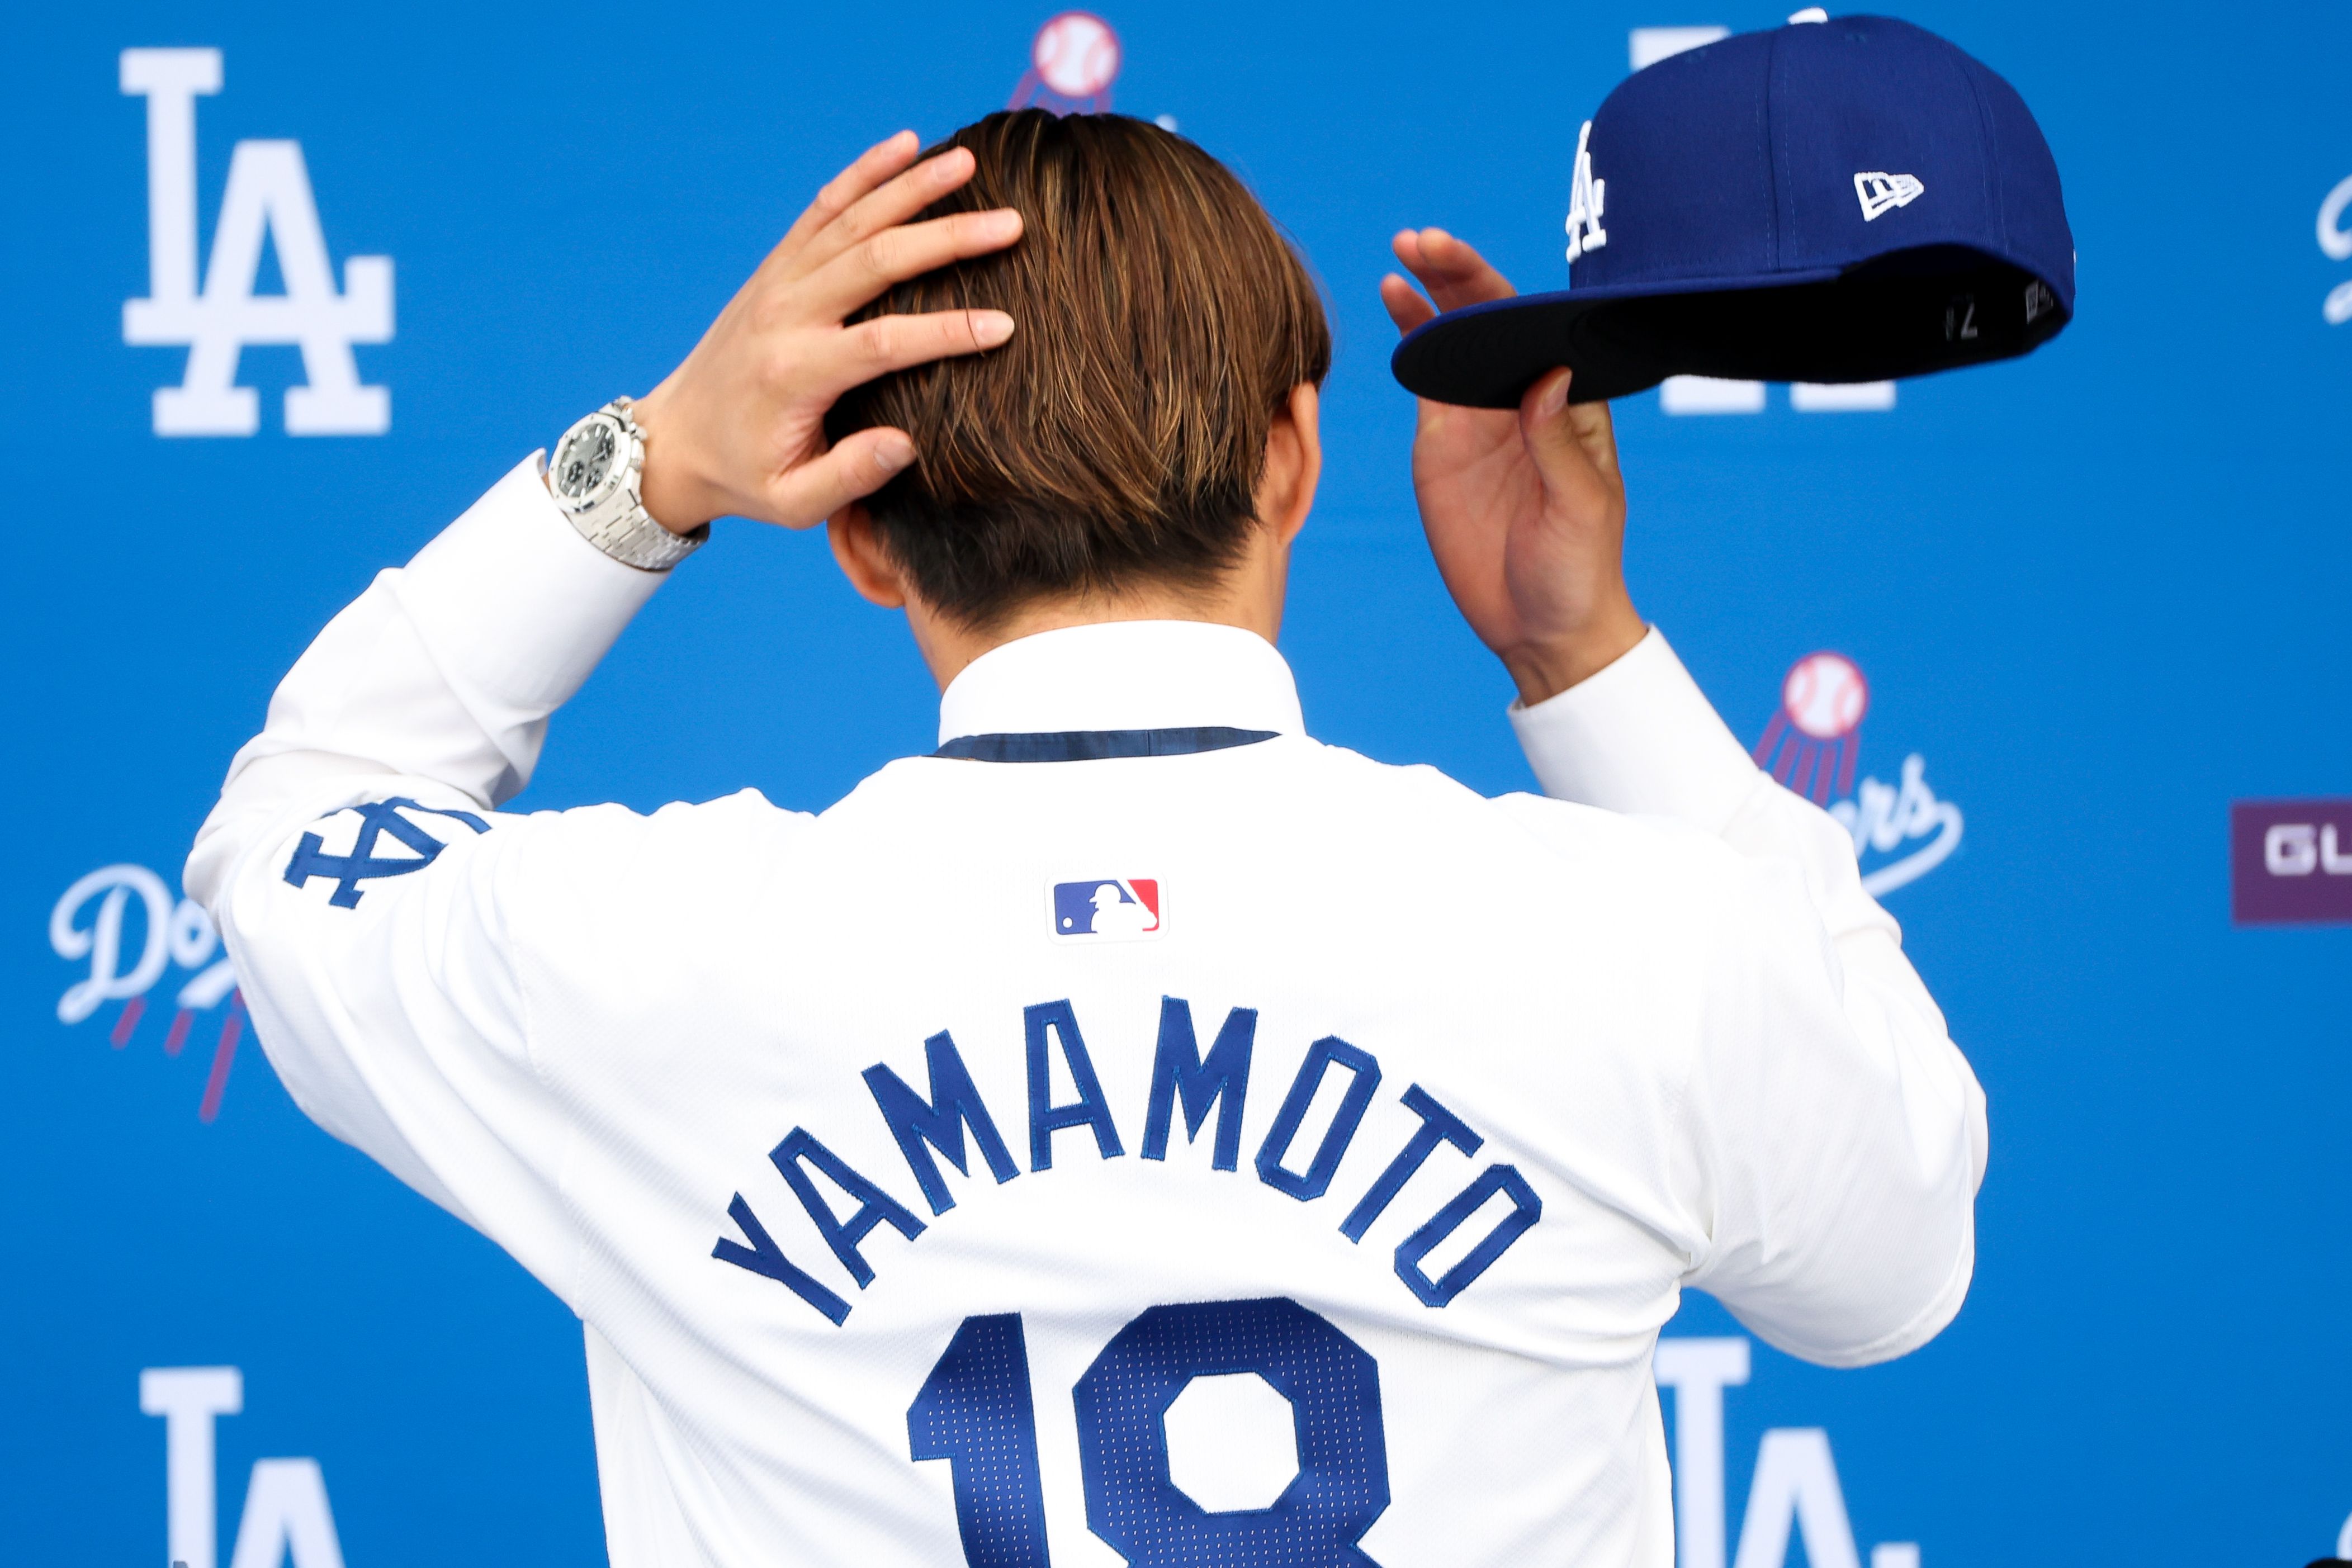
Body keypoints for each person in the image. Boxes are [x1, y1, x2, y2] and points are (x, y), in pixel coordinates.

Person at [188, 111, 1985, 1568]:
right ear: (1296, 462)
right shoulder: (1635, 937)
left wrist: (658, 457)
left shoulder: (635, 958)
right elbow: (1896, 1266)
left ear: (857, 530)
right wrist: (1580, 657)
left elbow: (300, 828)